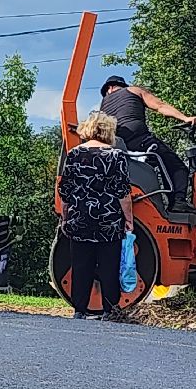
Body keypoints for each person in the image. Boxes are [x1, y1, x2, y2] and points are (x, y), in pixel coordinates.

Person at [58, 111, 133, 320]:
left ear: (87, 129)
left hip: (79, 218)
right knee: (109, 265)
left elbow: (65, 190)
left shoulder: (73, 154)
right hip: (108, 219)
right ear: (108, 131)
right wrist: (128, 220)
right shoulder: (116, 155)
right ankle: (110, 310)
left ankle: (80, 310)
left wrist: (65, 217)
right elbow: (123, 192)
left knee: (81, 265)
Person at [98, 75, 196, 210]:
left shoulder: (103, 105)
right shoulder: (134, 90)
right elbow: (160, 106)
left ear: (109, 88)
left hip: (118, 148)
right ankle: (178, 203)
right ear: (115, 86)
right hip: (140, 141)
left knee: (160, 164)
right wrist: (185, 118)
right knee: (178, 167)